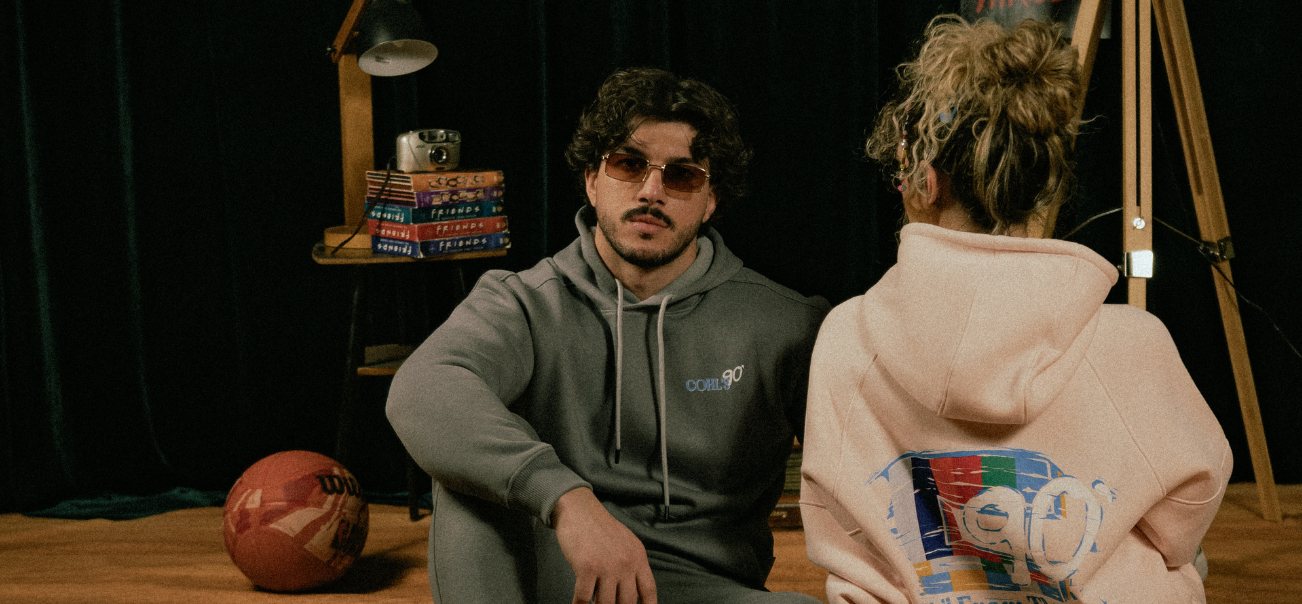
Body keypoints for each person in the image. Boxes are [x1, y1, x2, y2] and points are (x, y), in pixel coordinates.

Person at [797, 16, 1233, 604]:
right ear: (1046, 184)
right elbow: (1187, 515)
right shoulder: (1134, 342)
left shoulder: (846, 336)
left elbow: (840, 534)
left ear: (926, 181)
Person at [387, 67, 830, 604]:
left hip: (701, 587)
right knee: (466, 467)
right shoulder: (525, 302)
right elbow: (422, 388)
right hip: (557, 574)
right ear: (592, 181)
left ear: (711, 200)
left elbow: (869, 466)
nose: (651, 191)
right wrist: (567, 500)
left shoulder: (785, 323)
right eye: (628, 164)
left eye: (682, 175)